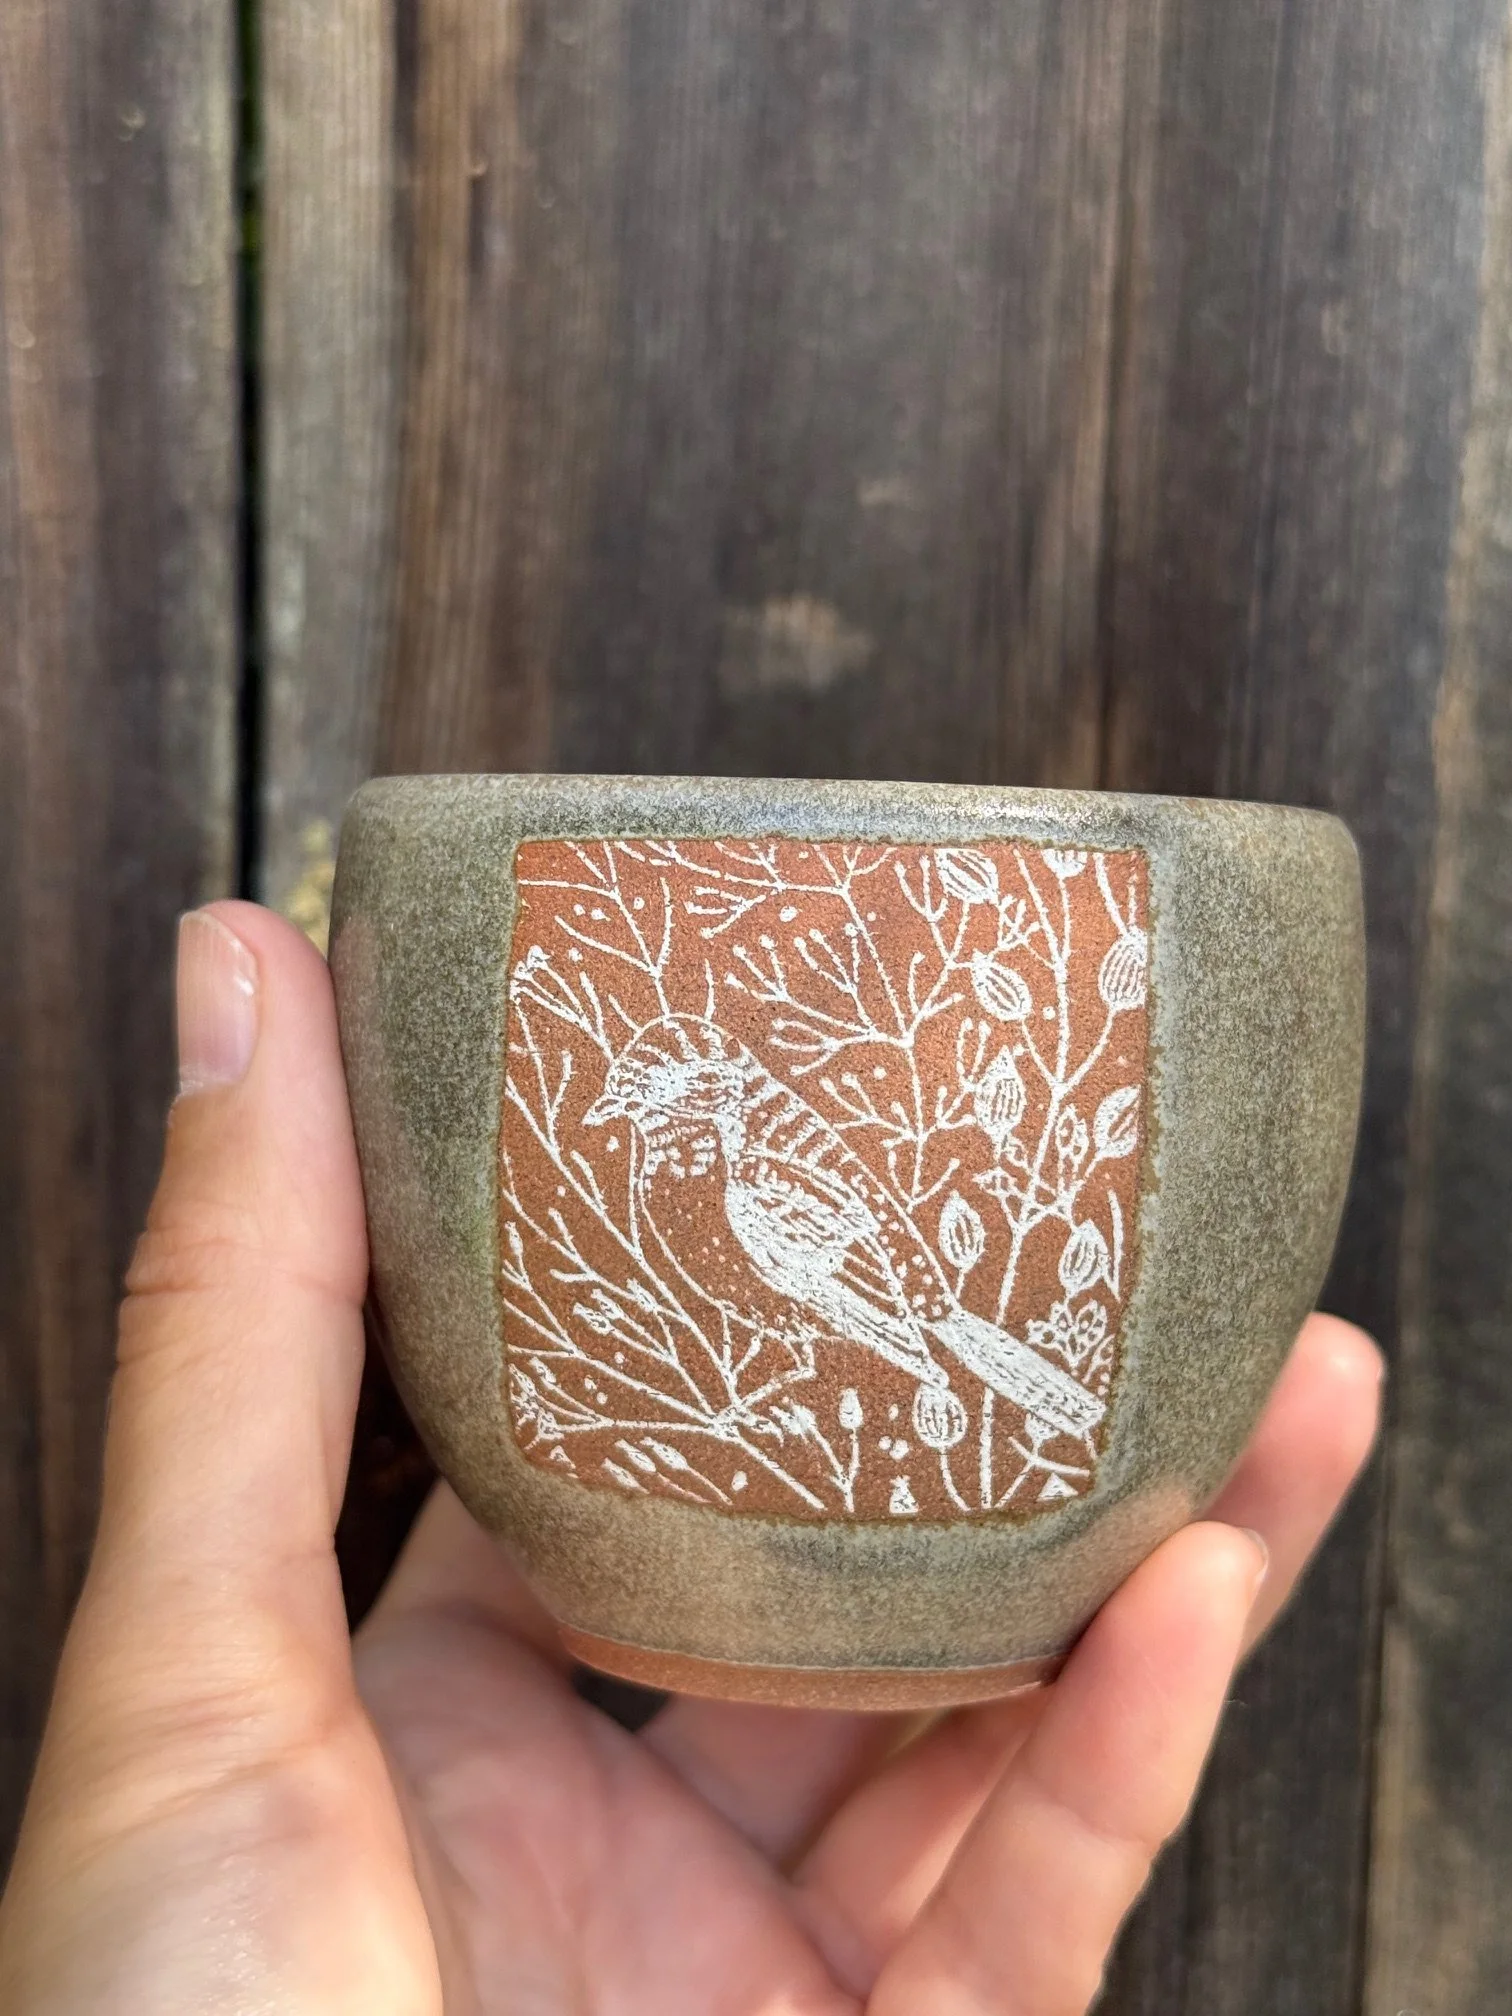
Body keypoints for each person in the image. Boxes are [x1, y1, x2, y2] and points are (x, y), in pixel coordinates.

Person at [0, 904, 1382, 2014]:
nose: (649, 1121)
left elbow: (850, 1291)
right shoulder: (725, 1174)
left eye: (668, 1102)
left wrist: (914, 1356)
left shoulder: (766, 1180)